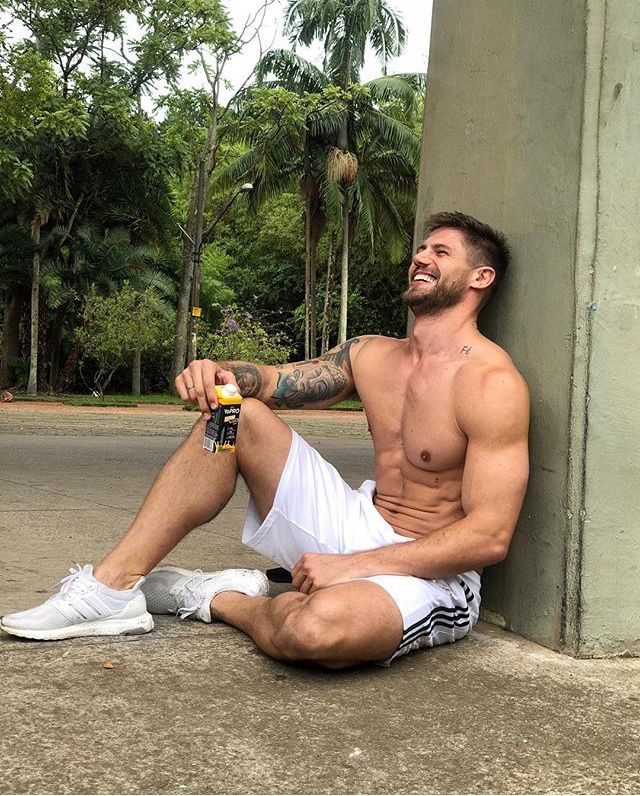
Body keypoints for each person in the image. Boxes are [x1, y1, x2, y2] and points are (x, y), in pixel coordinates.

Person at [0, 211, 530, 668]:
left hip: (431, 571)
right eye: (420, 248)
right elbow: (275, 382)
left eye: (440, 251)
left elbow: (489, 536)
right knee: (237, 415)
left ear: (480, 277)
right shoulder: (371, 354)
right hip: (357, 519)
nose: (420, 258)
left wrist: (355, 567)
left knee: (313, 634)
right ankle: (110, 587)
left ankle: (220, 597)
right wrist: (219, 371)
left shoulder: (490, 384)